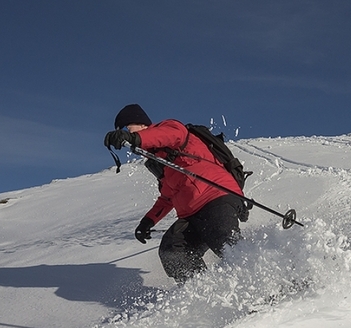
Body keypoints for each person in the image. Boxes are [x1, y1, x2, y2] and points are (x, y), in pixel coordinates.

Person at [104, 104, 247, 284]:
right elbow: (167, 195)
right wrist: (147, 221)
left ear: (138, 123)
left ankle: (268, 285)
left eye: (126, 128)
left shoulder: (169, 128)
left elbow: (170, 135)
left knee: (226, 244)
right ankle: (202, 292)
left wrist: (134, 139)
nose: (126, 132)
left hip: (216, 197)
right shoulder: (159, 159)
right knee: (172, 250)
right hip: (191, 214)